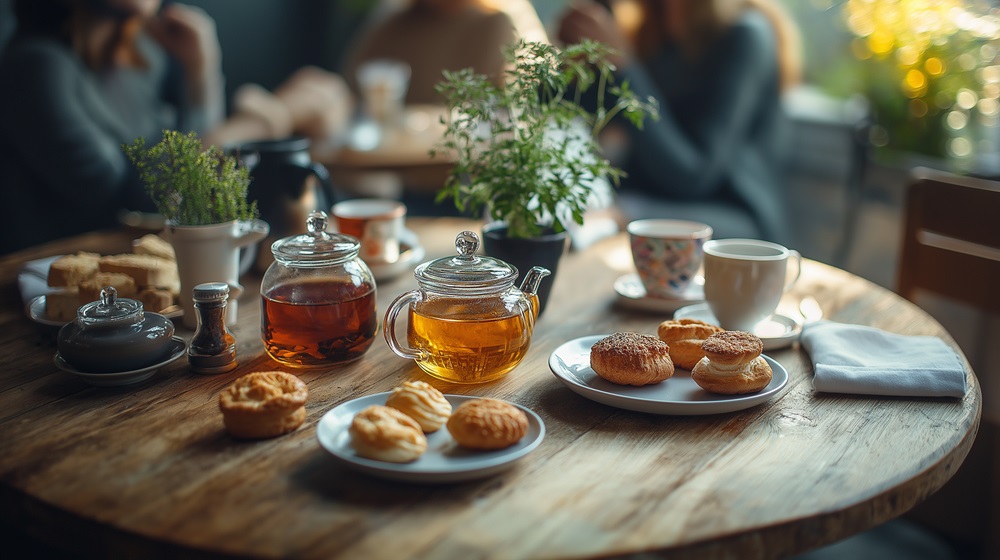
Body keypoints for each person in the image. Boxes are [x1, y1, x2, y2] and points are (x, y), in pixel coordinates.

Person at [0, 0, 352, 254]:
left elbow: (192, 186)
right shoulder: (35, 66)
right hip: (71, 293)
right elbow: (147, 200)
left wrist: (200, 72)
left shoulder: (139, 62)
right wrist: (275, 114)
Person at [557, 0, 801, 242]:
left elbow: (695, 176)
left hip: (732, 219)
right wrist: (576, 58)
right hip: (650, 204)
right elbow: (565, 109)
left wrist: (623, 68)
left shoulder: (745, 35)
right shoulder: (651, 34)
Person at [341, 0, 518, 106]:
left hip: (450, 159)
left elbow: (475, 106)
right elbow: (348, 92)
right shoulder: (391, 24)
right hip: (383, 153)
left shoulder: (492, 26)